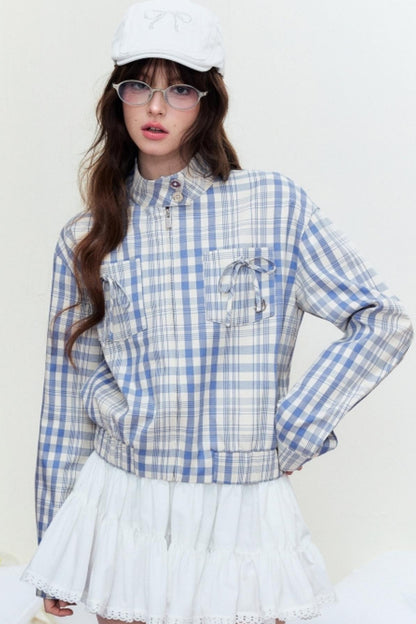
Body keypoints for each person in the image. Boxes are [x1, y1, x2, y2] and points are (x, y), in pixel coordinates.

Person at [21, 1, 413, 623]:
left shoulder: (273, 205)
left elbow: (382, 318)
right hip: (123, 501)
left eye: (179, 89)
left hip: (243, 506)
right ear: (117, 99)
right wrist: (56, 546)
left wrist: (295, 427)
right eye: (138, 86)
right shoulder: (86, 236)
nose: (155, 108)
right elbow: (68, 396)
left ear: (207, 103)